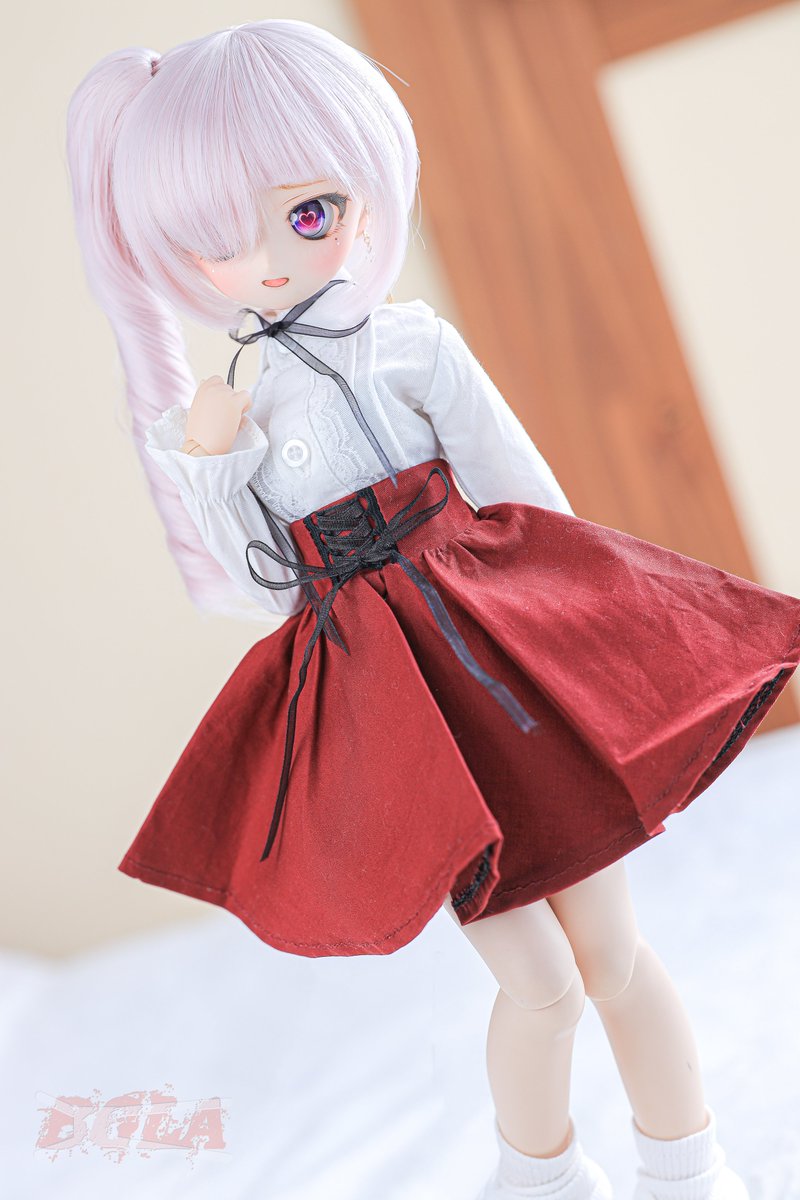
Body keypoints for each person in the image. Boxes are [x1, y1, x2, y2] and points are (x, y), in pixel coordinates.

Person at [66, 19, 800, 1200]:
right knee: (537, 984)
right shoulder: (232, 414)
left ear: (359, 196)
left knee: (610, 955)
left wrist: (595, 648)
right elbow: (270, 592)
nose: (269, 258)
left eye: (306, 213)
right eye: (218, 241)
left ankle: (685, 1164)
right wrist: (209, 466)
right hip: (396, 713)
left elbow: (531, 504)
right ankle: (539, 1177)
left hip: (503, 671)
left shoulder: (410, 347)